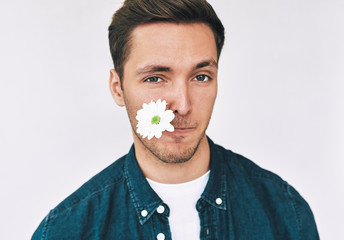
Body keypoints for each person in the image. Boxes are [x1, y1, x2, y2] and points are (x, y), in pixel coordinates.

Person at [32, 0, 319, 239]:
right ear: (118, 87)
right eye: (155, 78)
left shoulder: (286, 214)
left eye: (201, 77)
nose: (181, 105)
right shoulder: (64, 230)